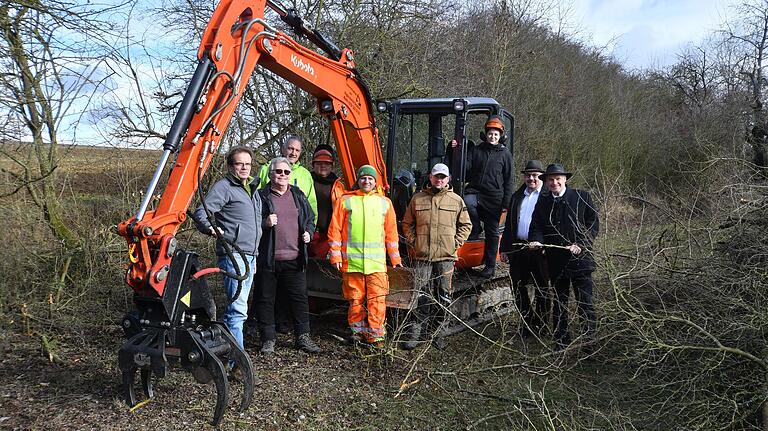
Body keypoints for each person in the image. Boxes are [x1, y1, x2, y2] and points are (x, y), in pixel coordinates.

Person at [190, 146, 261, 350]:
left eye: (247, 164)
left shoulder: (252, 187)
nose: (244, 167)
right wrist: (212, 228)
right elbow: (201, 213)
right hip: (233, 254)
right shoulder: (224, 187)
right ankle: (236, 361)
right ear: (231, 166)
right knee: (238, 310)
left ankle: (223, 349)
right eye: (240, 164)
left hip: (250, 255)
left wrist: (256, 253)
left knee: (238, 309)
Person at [327, 165, 402, 347]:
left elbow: (391, 234)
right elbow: (334, 230)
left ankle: (376, 337)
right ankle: (357, 333)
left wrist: (396, 259)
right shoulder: (345, 201)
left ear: (375, 182)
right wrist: (335, 257)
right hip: (352, 263)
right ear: (358, 180)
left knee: (377, 300)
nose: (366, 181)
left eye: (370, 179)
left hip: (376, 264)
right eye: (363, 178)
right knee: (355, 300)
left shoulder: (384, 203)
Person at [252, 157, 321, 354]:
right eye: (278, 171)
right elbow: (251, 222)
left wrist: (308, 230)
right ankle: (268, 339)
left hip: (295, 258)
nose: (282, 175)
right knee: (266, 299)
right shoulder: (261, 196)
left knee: (299, 298)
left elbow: (310, 218)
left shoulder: (298, 194)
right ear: (271, 174)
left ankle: (303, 337)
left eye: (286, 172)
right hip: (268, 259)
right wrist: (264, 223)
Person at [528, 163, 599, 351]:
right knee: (560, 304)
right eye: (550, 179)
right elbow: (536, 226)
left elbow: (593, 222)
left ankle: (589, 343)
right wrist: (536, 240)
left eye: (558, 179)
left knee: (585, 303)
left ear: (565, 179)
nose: (554, 182)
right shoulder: (543, 202)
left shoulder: (581, 197)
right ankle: (561, 341)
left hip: (580, 262)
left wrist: (582, 244)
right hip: (555, 262)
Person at [401, 163, 472, 350]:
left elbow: (466, 225)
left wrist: (455, 243)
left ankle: (438, 333)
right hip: (422, 257)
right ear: (430, 178)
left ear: (447, 179)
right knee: (420, 294)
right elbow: (407, 223)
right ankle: (416, 333)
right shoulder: (417, 199)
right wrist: (415, 242)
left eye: (443, 177)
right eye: (436, 176)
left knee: (444, 296)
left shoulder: (456, 200)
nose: (439, 180)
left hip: (446, 257)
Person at [453, 115, 514, 278]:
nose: (492, 137)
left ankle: (490, 265)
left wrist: (506, 203)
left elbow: (509, 180)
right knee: (466, 202)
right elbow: (465, 168)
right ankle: (475, 227)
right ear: (485, 134)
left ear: (500, 136)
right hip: (475, 192)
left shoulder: (505, 154)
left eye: (496, 134)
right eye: (490, 134)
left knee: (492, 231)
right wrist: (456, 150)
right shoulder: (478, 150)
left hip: (494, 198)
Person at [499, 160, 550, 338]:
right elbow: (509, 225)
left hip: (540, 250)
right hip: (519, 248)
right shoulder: (517, 196)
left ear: (541, 176)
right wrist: (504, 249)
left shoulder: (547, 195)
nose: (531, 178)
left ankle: (542, 325)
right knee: (518, 286)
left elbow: (552, 225)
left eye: (535, 175)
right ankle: (527, 323)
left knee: (542, 288)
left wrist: (544, 244)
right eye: (528, 175)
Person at [257, 135, 317, 224]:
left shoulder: (305, 174)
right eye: (290, 148)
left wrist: (311, 229)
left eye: (297, 150)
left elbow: (312, 203)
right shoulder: (266, 169)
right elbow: (256, 200)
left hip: (297, 229)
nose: (294, 153)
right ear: (283, 149)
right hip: (270, 229)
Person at [308, 145, 345, 258]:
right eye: (319, 163)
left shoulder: (338, 186)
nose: (323, 165)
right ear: (313, 164)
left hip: (327, 238)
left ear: (332, 165)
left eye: (327, 163)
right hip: (305, 235)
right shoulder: (305, 180)